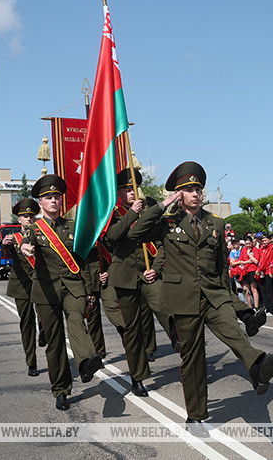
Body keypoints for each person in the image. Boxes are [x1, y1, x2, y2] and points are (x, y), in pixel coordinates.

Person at [127, 161, 273, 434]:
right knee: (193, 358)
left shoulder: (215, 223)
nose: (195, 194)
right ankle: (196, 416)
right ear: (179, 194)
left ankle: (256, 365)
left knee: (233, 331)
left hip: (213, 295)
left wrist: (233, 302)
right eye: (189, 190)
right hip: (183, 299)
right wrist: (161, 206)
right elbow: (134, 233)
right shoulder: (167, 222)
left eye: (198, 189)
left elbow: (221, 268)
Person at [20, 174, 102, 410]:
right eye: (48, 197)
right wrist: (25, 247)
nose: (54, 200)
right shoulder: (34, 229)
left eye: (56, 196)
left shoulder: (73, 226)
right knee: (54, 342)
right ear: (41, 203)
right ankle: (61, 389)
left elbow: (84, 260)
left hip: (73, 286)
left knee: (76, 319)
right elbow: (27, 240)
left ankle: (86, 362)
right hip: (46, 290)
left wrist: (89, 290)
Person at [105, 168, 174, 397]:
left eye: (134, 188)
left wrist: (156, 268)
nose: (132, 192)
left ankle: (180, 341)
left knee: (165, 305)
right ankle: (138, 377)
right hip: (124, 277)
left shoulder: (147, 212)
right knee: (133, 330)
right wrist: (132, 214)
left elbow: (161, 243)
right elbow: (113, 236)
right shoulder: (113, 213)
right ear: (119, 193)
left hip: (146, 274)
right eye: (127, 189)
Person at [2, 198, 41, 377]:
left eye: (32, 216)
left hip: (40, 283)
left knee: (47, 318)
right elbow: (6, 248)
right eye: (25, 216)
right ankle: (31, 362)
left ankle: (44, 330)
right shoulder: (14, 238)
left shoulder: (42, 235)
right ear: (19, 220)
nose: (29, 219)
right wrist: (4, 244)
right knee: (27, 324)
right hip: (21, 286)